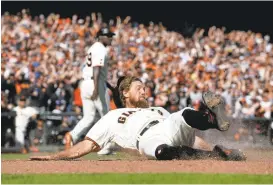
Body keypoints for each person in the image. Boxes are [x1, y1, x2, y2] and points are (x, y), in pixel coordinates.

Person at [30, 76, 246, 161]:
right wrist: (55, 157)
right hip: (145, 139)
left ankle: (212, 120)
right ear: (124, 93)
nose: (145, 91)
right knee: (161, 151)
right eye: (139, 88)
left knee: (184, 114)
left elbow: (190, 138)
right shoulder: (113, 115)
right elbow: (87, 145)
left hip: (165, 124)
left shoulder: (158, 109)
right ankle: (217, 155)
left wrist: (208, 146)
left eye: (145, 87)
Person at [64, 27, 115, 154]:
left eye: (110, 35)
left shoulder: (93, 47)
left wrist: (109, 86)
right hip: (94, 84)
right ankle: (106, 146)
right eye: (107, 35)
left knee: (89, 117)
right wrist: (97, 89)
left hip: (86, 83)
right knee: (107, 116)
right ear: (100, 37)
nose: (110, 37)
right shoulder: (100, 48)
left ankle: (72, 135)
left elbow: (96, 71)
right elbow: (96, 69)